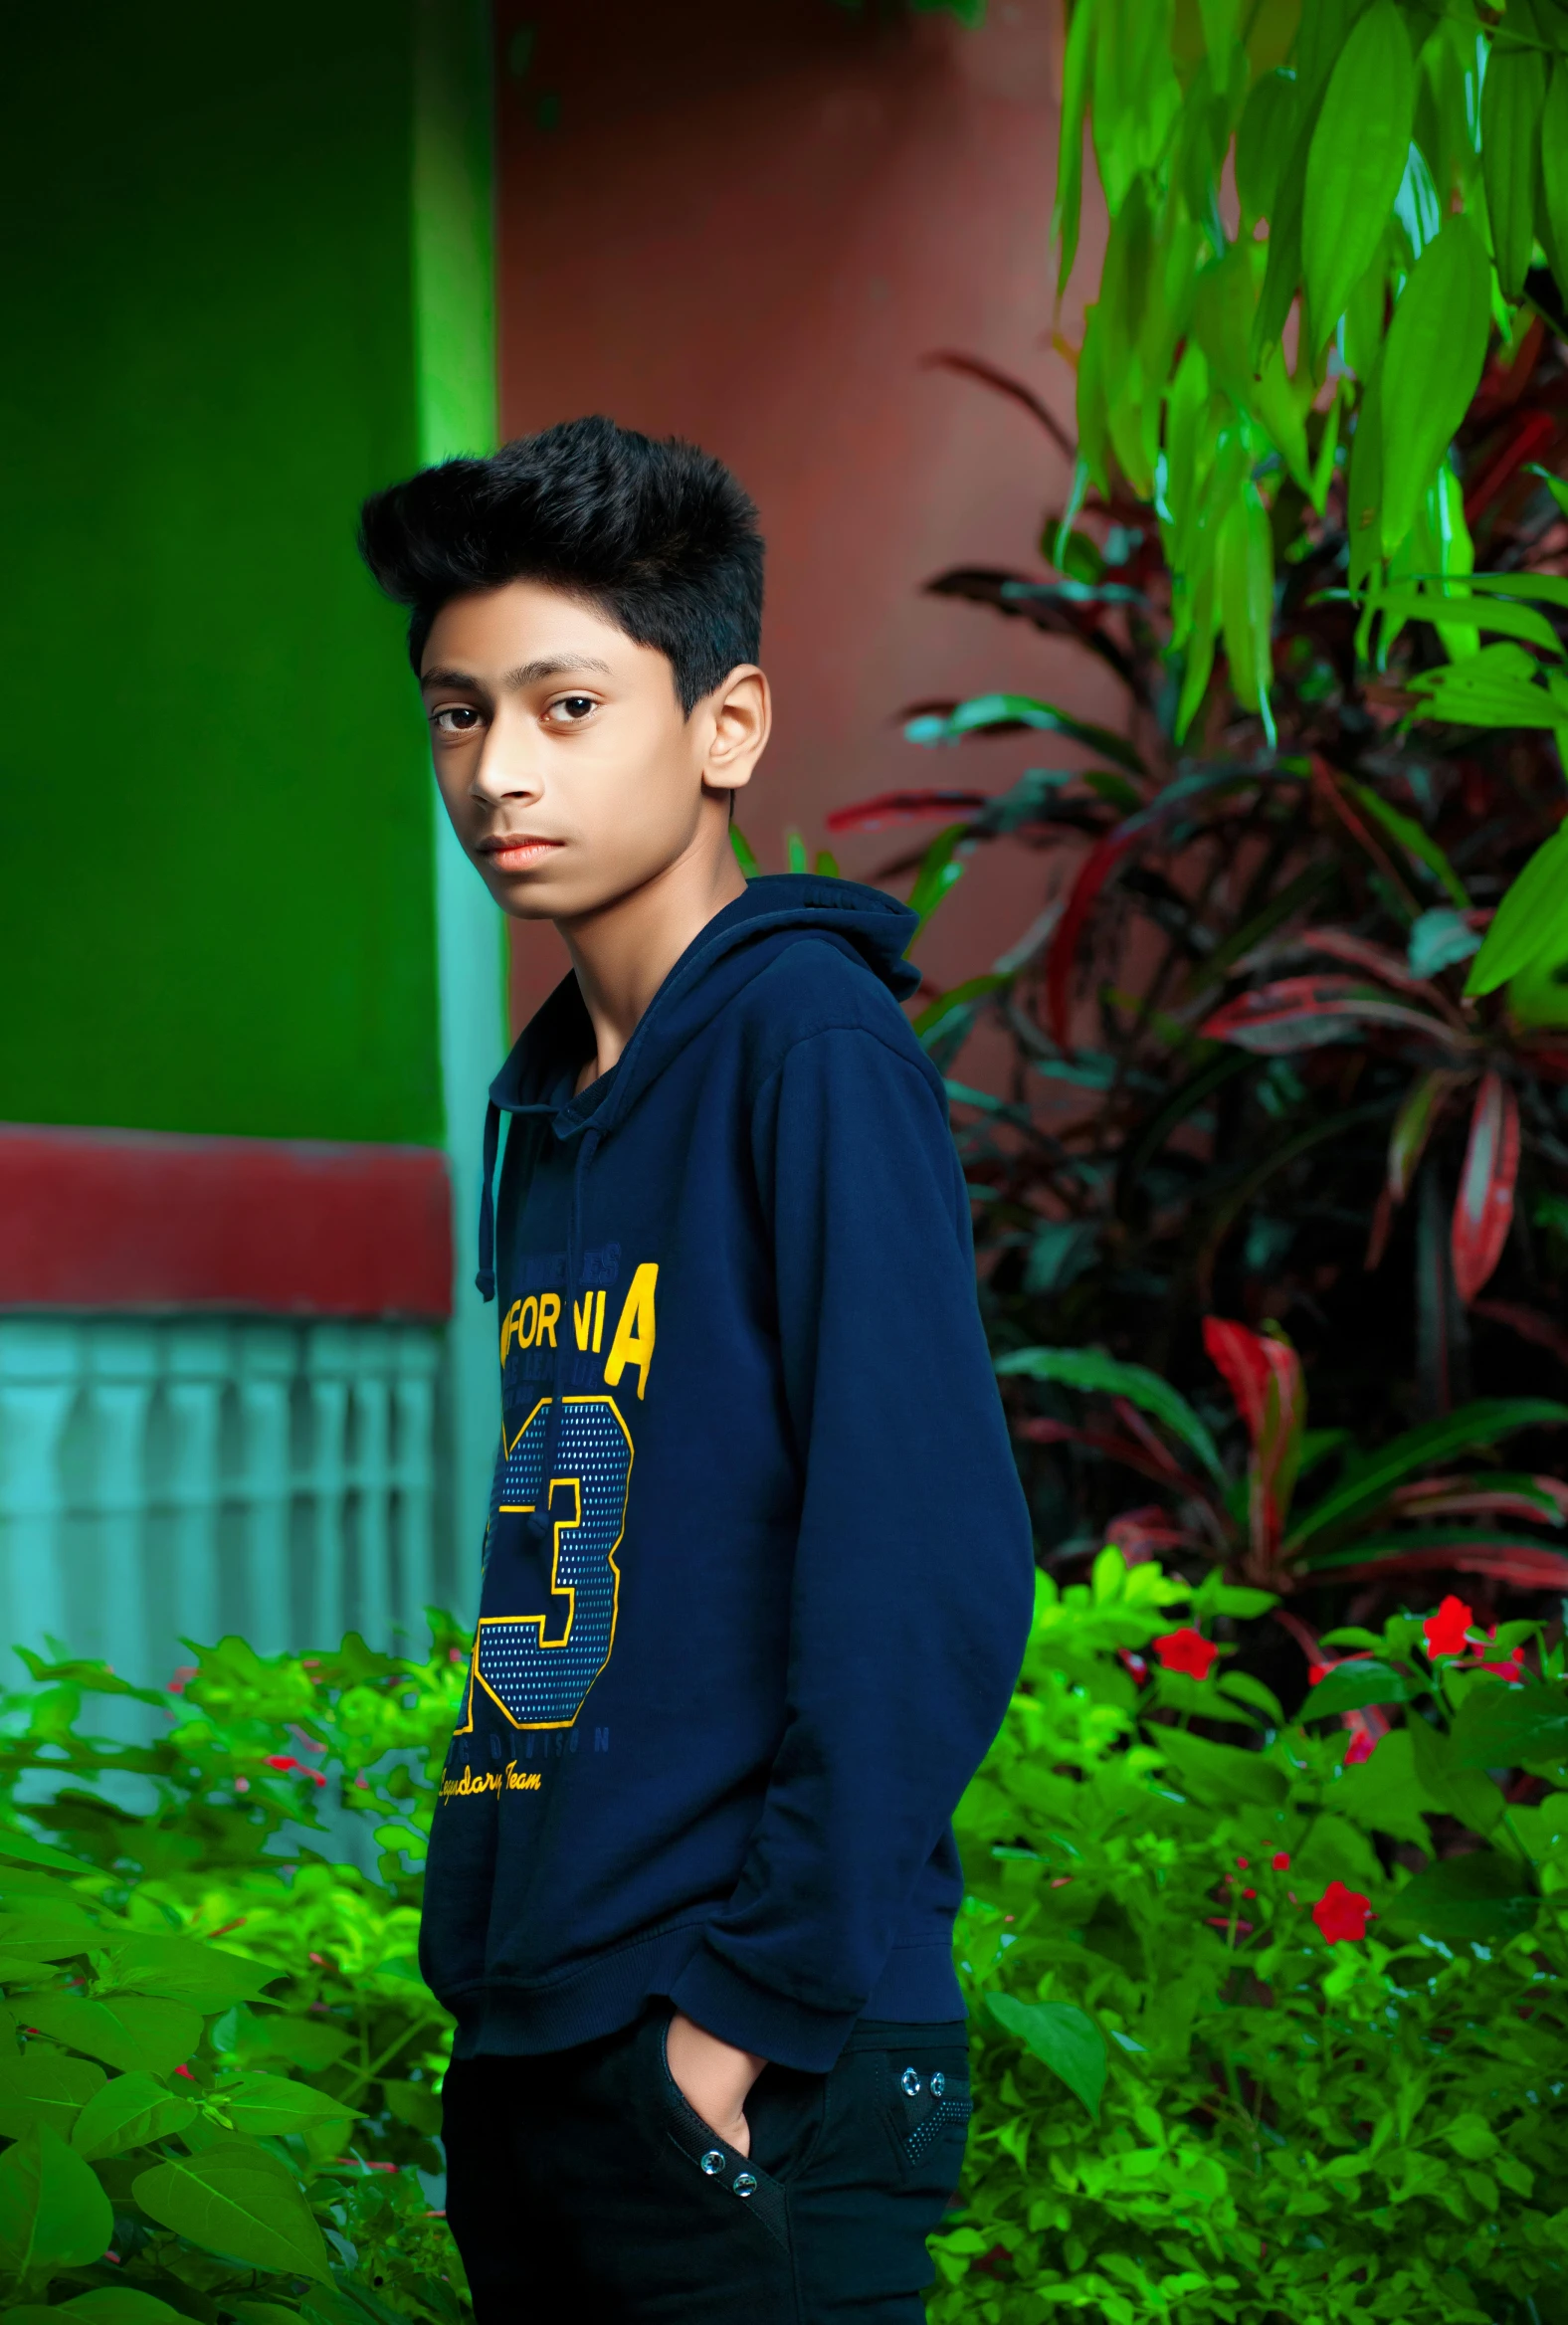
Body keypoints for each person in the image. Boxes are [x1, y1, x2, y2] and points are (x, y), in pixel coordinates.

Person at [358, 417, 1034, 2324]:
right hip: (547, 2039)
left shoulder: (808, 1053)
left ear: (725, 726)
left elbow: (934, 1576)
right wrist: (490, 1973)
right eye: (458, 715)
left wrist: (730, 2028)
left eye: (569, 705)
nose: (500, 771)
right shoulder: (561, 1098)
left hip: (751, 2067)